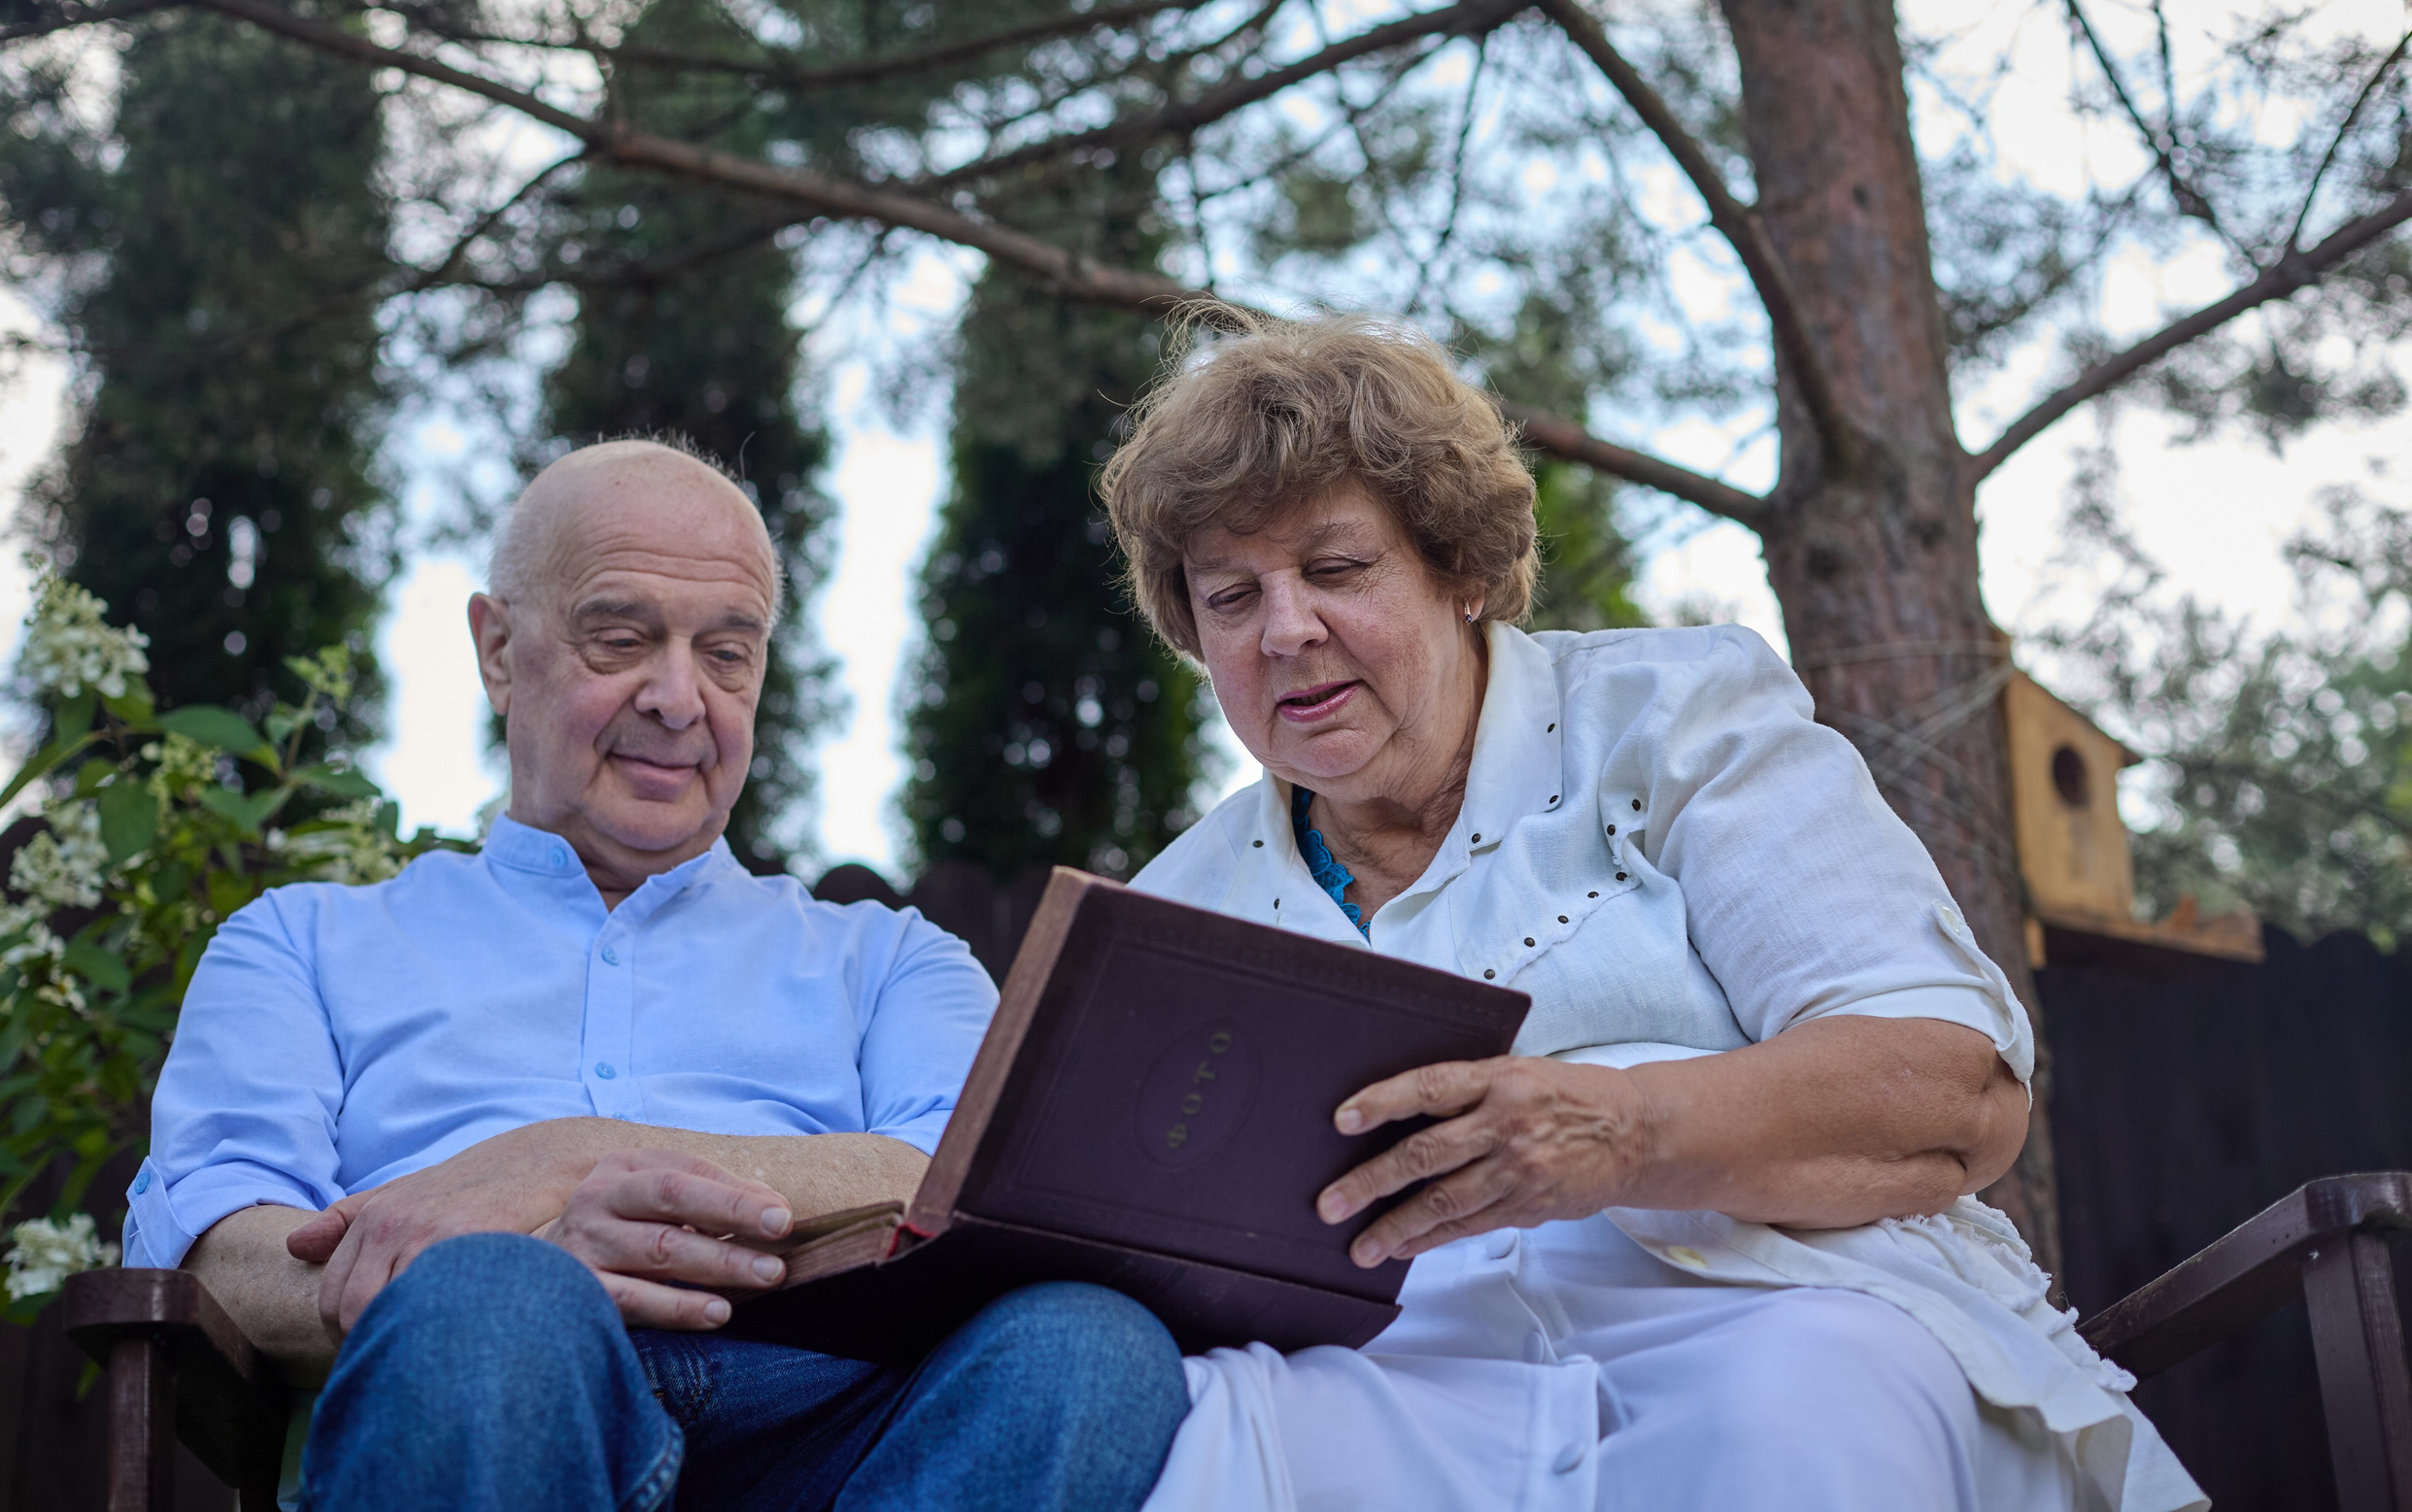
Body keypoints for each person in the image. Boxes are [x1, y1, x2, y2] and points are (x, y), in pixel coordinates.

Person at [1096, 315, 2203, 1512]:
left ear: (1458, 570)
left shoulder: (1677, 720)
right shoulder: (1174, 907)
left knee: (1813, 1406)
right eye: (1229, 596)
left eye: (1336, 568)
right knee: (1196, 1450)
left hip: (1771, 1305)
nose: (1285, 629)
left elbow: (1952, 1095)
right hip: (1389, 1385)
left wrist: (1620, 1130)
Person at [123, 440, 1189, 1512]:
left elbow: (964, 1190)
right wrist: (507, 1256)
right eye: (621, 638)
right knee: (494, 1300)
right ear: (498, 650)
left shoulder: (891, 961)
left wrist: (565, 1160)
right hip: (481, 1405)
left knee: (1093, 1347)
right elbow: (221, 1255)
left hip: (839, 1431)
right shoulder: (299, 944)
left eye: (727, 653)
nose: (679, 699)